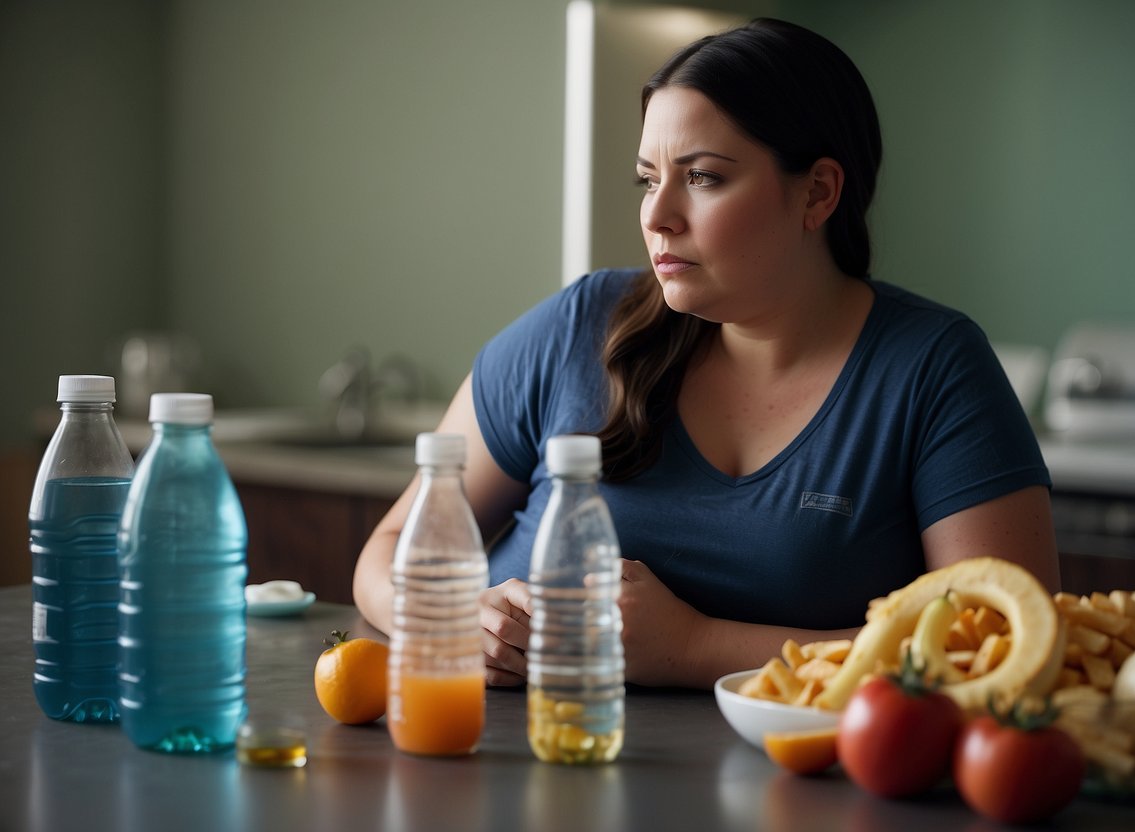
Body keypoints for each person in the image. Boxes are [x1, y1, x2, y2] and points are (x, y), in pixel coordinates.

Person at [353, 18, 1059, 690]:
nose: (656, 215)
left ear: (817, 192)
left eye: (702, 177)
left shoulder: (932, 369)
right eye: (647, 178)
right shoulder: (578, 328)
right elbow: (387, 556)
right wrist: (450, 620)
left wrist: (694, 647)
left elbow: (998, 644)